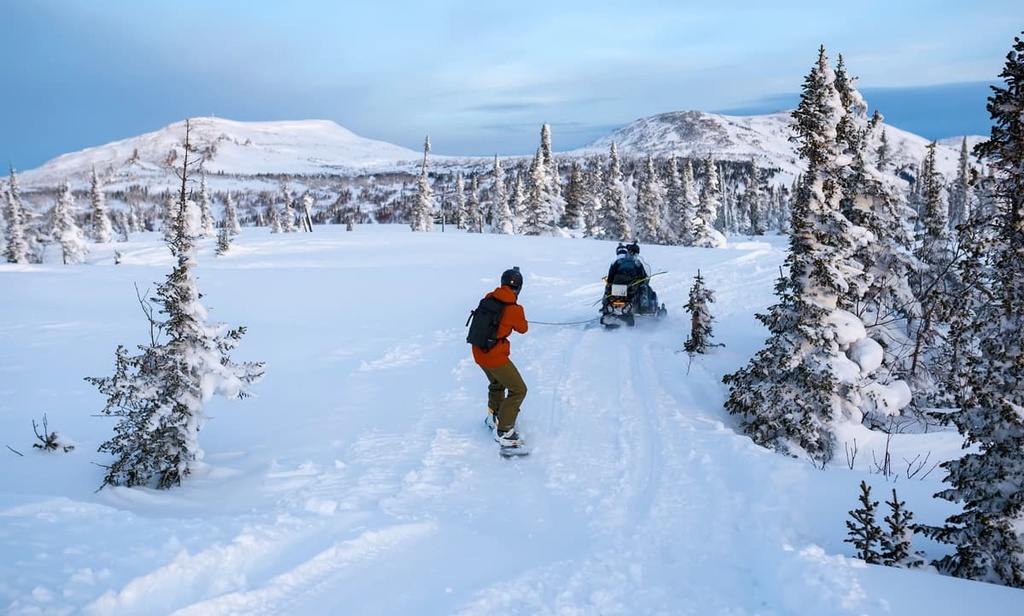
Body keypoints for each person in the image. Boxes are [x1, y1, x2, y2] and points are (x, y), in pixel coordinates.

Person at [474, 267, 529, 447]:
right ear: (519, 288)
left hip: (478, 350)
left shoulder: (490, 296)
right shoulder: (514, 308)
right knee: (518, 389)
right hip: (494, 354)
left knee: (497, 383)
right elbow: (523, 329)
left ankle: (494, 415)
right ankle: (504, 430)